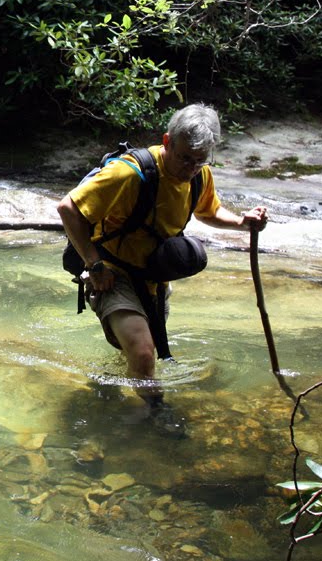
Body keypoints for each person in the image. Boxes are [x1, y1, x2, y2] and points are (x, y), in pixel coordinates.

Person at [56, 103, 268, 433]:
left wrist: (243, 222)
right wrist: (94, 265)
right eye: (184, 158)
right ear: (167, 142)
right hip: (112, 275)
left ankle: (102, 389)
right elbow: (68, 208)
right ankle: (155, 416)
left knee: (139, 354)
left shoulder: (199, 176)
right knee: (143, 354)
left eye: (200, 160)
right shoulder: (128, 173)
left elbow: (208, 212)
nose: (191, 168)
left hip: (155, 279)